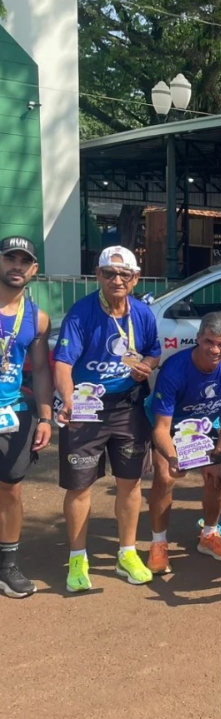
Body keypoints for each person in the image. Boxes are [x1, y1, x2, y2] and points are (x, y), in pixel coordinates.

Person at [54, 245, 161, 593]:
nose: (117, 279)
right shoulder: (81, 313)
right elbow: (63, 364)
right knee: (79, 484)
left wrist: (146, 366)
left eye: (124, 274)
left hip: (129, 406)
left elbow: (153, 351)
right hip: (86, 409)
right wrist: (68, 401)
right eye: (109, 273)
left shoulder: (143, 313)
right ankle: (77, 557)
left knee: (130, 483)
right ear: (98, 276)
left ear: (135, 279)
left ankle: (127, 553)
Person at [147, 312, 221, 573]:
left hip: (205, 426)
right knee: (165, 476)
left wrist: (219, 452)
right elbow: (161, 427)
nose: (215, 350)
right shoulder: (174, 368)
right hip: (171, 426)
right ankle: (158, 543)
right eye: (209, 342)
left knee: (218, 474)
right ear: (198, 338)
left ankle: (210, 535)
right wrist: (172, 457)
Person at [0, 236, 52, 597]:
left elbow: (42, 371)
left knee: (11, 490)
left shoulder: (37, 317)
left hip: (13, 414)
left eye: (24, 261)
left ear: (33, 270)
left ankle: (8, 567)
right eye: (9, 258)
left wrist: (46, 417)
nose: (16, 266)